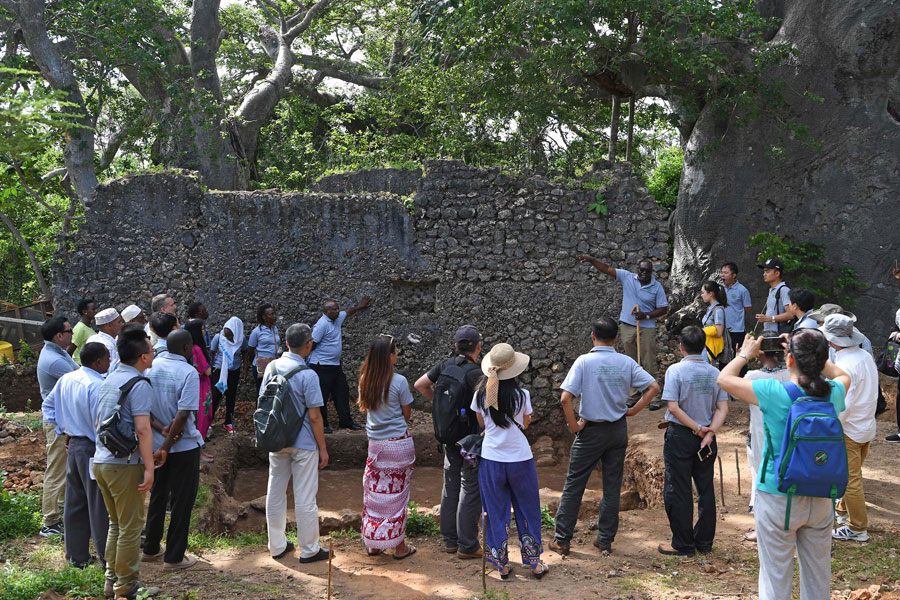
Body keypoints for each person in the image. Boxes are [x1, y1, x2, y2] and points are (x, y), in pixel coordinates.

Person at [717, 330, 850, 600]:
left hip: (777, 494)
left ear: (789, 360)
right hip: (822, 495)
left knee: (775, 576)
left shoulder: (772, 392)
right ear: (822, 359)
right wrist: (816, 357)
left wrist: (745, 353)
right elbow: (844, 376)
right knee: (818, 576)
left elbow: (724, 379)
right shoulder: (834, 393)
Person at [551, 316, 661, 555]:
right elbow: (653, 387)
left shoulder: (583, 362)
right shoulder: (626, 362)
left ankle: (562, 539)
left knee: (574, 485)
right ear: (615, 340)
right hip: (617, 430)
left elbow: (565, 398)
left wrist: (574, 427)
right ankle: (604, 539)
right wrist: (634, 409)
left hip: (590, 431)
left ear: (592, 336)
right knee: (612, 486)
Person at [93, 324, 161, 600]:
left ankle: (112, 582)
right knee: (131, 527)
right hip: (124, 464)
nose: (154, 352)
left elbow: (98, 421)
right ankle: (127, 586)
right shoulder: (139, 384)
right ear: (143, 357)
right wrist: (148, 468)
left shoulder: (109, 379)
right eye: (151, 349)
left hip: (101, 461)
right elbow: (143, 430)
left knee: (117, 524)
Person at [471, 342, 547, 580]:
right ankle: (534, 563)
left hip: (491, 459)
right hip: (520, 458)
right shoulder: (522, 395)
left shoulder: (480, 394)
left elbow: (483, 425)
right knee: (527, 509)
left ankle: (501, 564)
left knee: (495, 511)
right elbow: (525, 424)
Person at [262, 323, 330, 564]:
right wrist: (323, 448)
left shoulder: (271, 367)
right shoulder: (309, 376)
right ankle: (310, 549)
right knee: (305, 497)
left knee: (275, 492)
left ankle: (277, 546)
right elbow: (314, 416)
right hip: (304, 444)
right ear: (309, 345)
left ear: (286, 343)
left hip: (276, 439)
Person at [414, 325, 484, 558]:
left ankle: (449, 541)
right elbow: (483, 410)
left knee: (451, 485)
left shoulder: (444, 366)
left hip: (447, 436)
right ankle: (468, 545)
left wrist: (440, 404)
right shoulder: (477, 373)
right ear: (478, 347)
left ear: (455, 346)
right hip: (469, 440)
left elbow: (420, 385)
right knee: (469, 488)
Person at [658, 326, 728, 556]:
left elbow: (673, 406)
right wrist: (709, 433)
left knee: (679, 488)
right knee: (706, 489)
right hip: (707, 440)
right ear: (704, 346)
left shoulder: (675, 371)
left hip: (681, 435)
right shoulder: (715, 373)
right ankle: (704, 543)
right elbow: (722, 408)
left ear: (681, 347)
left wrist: (697, 428)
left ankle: (683, 543)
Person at [141, 329, 202, 570]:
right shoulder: (188, 372)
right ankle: (174, 557)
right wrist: (168, 445)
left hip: (154, 445)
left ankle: (151, 548)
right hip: (182, 447)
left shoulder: (150, 368)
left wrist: (161, 434)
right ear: (187, 349)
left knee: (157, 495)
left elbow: (144, 407)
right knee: (181, 500)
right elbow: (184, 413)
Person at [46, 342, 110, 568]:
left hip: (73, 446)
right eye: (108, 358)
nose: (110, 362)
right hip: (92, 448)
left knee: (75, 502)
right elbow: (100, 424)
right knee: (98, 504)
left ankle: (76, 556)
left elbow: (48, 406)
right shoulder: (97, 385)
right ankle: (106, 560)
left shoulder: (67, 379)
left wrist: (62, 429)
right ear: (99, 361)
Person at [576, 255, 668, 409]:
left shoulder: (657, 287)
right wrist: (592, 260)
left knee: (648, 360)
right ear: (637, 269)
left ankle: (654, 396)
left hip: (647, 327)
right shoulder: (627, 277)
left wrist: (646, 315)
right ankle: (634, 393)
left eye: (647, 271)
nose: (644, 273)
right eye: (641, 269)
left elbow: (663, 308)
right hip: (628, 326)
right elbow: (607, 269)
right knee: (630, 361)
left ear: (652, 272)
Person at [358, 335, 417, 559]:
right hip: (398, 446)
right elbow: (407, 414)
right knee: (398, 498)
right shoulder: (399, 381)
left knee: (375, 495)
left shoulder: (365, 378)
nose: (397, 355)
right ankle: (399, 548)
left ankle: (374, 543)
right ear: (389, 356)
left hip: (375, 446)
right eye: (395, 352)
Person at [821, 314, 878, 543]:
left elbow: (843, 404)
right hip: (866, 425)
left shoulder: (844, 365)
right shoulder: (864, 356)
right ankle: (843, 512)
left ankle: (857, 528)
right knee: (852, 474)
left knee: (850, 479)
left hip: (849, 429)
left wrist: (832, 429)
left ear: (832, 340)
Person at [742, 334, 791, 543]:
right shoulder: (792, 374)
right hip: (788, 434)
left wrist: (742, 356)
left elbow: (727, 383)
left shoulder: (753, 377)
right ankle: (787, 523)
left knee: (760, 479)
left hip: (762, 435)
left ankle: (762, 527)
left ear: (759, 352)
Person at [37, 316, 78, 538]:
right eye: (69, 331)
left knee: (65, 468)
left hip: (63, 420)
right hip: (56, 422)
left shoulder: (58, 352)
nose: (73, 334)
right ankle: (49, 521)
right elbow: (81, 377)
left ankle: (61, 512)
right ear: (59, 336)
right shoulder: (53, 359)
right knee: (56, 470)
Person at [308, 297, 372, 432]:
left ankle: (345, 421)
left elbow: (348, 312)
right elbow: (312, 344)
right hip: (321, 366)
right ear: (326, 311)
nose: (338, 311)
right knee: (322, 396)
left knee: (342, 392)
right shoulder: (322, 325)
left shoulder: (336, 319)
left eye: (338, 308)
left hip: (335, 365)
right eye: (335, 309)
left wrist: (360, 306)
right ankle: (323, 424)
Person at [183, 319, 214, 461]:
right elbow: (207, 371)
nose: (204, 331)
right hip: (201, 386)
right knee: (202, 417)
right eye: (201, 329)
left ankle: (200, 450)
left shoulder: (188, 348)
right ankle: (199, 452)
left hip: (195, 385)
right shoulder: (197, 349)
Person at [210, 317, 245, 434]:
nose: (228, 338)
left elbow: (245, 352)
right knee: (215, 396)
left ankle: (228, 422)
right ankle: (209, 421)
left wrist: (245, 370)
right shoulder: (218, 337)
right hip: (219, 369)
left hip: (234, 370)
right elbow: (212, 352)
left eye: (230, 336)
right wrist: (211, 369)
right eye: (226, 335)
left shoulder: (241, 339)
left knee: (231, 396)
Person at [248, 303, 281, 393]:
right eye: (271, 314)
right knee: (261, 392)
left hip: (274, 364)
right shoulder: (257, 332)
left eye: (274, 313)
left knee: (273, 391)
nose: (274, 316)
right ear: (264, 317)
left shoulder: (275, 329)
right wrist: (256, 363)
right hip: (261, 366)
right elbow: (250, 350)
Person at [720, 262, 753, 349]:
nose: (722, 275)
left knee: (737, 355)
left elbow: (747, 308)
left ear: (734, 275)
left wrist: (738, 317)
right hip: (721, 329)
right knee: (723, 357)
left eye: (726, 273)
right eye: (722, 272)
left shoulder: (742, 290)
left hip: (737, 330)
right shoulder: (719, 289)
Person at [755, 257, 792, 333]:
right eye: (764, 272)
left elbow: (790, 314)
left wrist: (769, 318)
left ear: (777, 273)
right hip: (769, 333)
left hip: (778, 334)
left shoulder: (784, 290)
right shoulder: (772, 290)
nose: (764, 274)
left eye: (767, 272)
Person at [87, 308, 124, 375]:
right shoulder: (108, 346)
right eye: (119, 322)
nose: (122, 324)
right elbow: (111, 373)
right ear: (109, 325)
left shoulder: (92, 338)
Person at [700, 281, 729, 365]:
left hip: (711, 347)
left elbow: (719, 332)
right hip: (705, 344)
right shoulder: (710, 308)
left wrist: (703, 331)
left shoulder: (718, 310)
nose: (701, 295)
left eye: (703, 292)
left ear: (711, 294)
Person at [71, 298, 97, 364]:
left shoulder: (88, 326)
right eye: (93, 309)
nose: (95, 312)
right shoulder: (80, 328)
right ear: (85, 311)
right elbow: (70, 350)